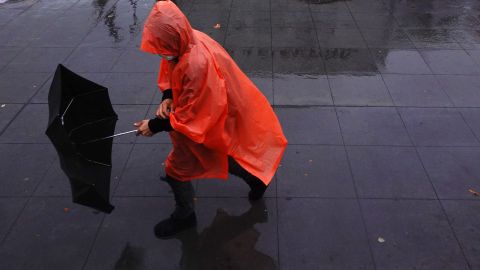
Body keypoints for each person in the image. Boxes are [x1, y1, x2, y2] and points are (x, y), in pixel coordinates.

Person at [134, 0, 287, 238]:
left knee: (176, 168)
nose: (161, 53)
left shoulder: (195, 65)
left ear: (173, 38)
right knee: (216, 150)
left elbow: (191, 116)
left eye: (162, 47)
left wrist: (153, 125)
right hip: (216, 109)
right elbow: (172, 70)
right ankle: (256, 178)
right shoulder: (187, 40)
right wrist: (169, 95)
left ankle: (185, 215)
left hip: (209, 113)